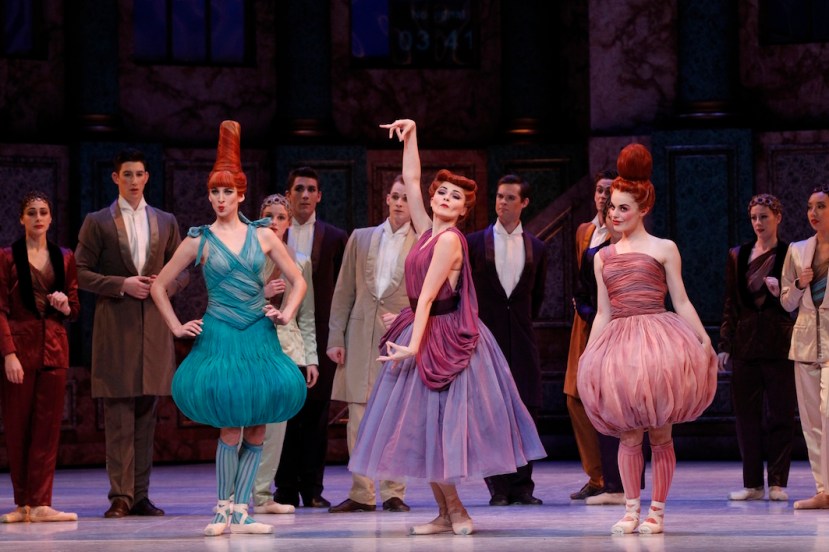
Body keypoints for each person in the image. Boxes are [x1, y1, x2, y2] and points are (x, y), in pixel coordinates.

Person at [348, 119, 546, 536]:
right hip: (424, 330)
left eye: (454, 197)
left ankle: (458, 511)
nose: (444, 198)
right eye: (441, 192)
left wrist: (412, 344)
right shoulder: (424, 231)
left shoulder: (450, 241)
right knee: (423, 433)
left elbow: (425, 299)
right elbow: (412, 177)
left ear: (462, 211)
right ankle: (443, 512)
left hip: (447, 338)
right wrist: (414, 134)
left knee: (438, 433)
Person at [150, 121, 308, 536]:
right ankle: (221, 509)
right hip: (221, 334)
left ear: (241, 195)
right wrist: (176, 325)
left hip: (258, 333)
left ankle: (243, 509)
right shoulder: (198, 240)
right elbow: (159, 287)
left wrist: (287, 312)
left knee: (257, 422)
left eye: (228, 192)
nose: (220, 199)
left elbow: (299, 280)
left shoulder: (264, 237)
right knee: (231, 422)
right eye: (214, 192)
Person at [577, 143, 717, 535]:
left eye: (624, 207)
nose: (615, 214)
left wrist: (702, 338)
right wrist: (590, 355)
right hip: (621, 342)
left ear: (643, 210)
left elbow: (682, 299)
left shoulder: (663, 248)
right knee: (628, 431)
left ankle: (656, 511)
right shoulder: (602, 257)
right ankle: (630, 508)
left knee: (660, 431)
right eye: (612, 207)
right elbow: (603, 311)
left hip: (657, 339)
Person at [75, 148, 189, 518]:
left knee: (147, 416)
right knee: (119, 416)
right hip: (117, 330)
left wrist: (165, 285)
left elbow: (183, 270)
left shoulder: (166, 220)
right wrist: (121, 283)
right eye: (127, 175)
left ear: (147, 177)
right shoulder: (98, 221)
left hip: (154, 330)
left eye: (139, 174)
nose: (134, 181)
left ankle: (140, 495)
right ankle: (120, 496)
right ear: (115, 178)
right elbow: (80, 272)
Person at [327, 175, 416, 514]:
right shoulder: (362, 238)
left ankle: (394, 492)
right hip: (360, 336)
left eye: (405, 198)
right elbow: (343, 291)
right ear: (386, 198)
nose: (398, 203)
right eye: (395, 196)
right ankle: (362, 492)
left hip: (398, 337)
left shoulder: (422, 241)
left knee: (395, 417)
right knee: (358, 419)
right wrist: (336, 337)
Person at [466, 174, 549, 506]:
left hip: (523, 339)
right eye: (499, 196)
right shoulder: (474, 243)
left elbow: (537, 296)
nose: (502, 202)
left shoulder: (538, 248)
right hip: (487, 338)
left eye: (510, 198)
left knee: (526, 410)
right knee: (491, 412)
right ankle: (498, 488)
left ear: (524, 203)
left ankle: (523, 486)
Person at [0, 191, 80, 523]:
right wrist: (9, 353)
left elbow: (74, 307)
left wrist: (64, 306)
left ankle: (41, 502)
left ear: (50, 218)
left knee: (47, 429)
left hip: (54, 348)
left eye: (43, 212)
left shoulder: (64, 257)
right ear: (22, 219)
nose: (37, 217)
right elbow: (0, 309)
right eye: (31, 212)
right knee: (18, 426)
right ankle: (22, 504)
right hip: (21, 346)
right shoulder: (6, 257)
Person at [275, 167, 348, 509]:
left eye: (311, 190)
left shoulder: (335, 237)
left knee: (317, 415)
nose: (305, 195)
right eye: (299, 188)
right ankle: (284, 487)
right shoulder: (273, 235)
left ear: (319, 196)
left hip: (319, 335)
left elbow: (344, 290)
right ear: (288, 194)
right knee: (284, 413)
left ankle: (313, 488)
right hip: (279, 335)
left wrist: (338, 337)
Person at [719, 194, 795, 502]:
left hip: (779, 344)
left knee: (780, 414)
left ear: (778, 217)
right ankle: (752, 484)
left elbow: (798, 302)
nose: (758, 223)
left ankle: (777, 481)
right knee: (746, 417)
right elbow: (731, 304)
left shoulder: (791, 254)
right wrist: (725, 345)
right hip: (746, 345)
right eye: (754, 218)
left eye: (764, 216)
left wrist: (783, 294)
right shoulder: (738, 255)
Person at [252, 194, 318, 515]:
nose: (273, 222)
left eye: (280, 217)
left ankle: (263, 495)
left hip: (286, 349)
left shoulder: (299, 260)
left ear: (289, 223)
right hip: (251, 345)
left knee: (278, 425)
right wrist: (260, 292)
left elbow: (306, 314)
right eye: (268, 215)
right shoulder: (246, 255)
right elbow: (227, 299)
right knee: (248, 421)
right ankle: (239, 493)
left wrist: (311, 357)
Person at [572, 201, 628, 507]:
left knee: (634, 408)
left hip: (635, 333)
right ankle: (612, 483)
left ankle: (631, 482)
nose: (617, 218)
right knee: (608, 408)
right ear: (605, 219)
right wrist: (593, 316)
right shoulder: (594, 255)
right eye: (611, 213)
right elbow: (581, 295)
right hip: (604, 332)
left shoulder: (643, 251)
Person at [564, 170, 614, 500]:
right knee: (574, 396)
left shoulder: (623, 233)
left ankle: (614, 478)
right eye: (599, 190)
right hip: (582, 320)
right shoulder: (585, 231)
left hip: (610, 323)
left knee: (609, 399)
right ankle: (595, 476)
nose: (603, 196)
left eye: (610, 191)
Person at [780, 184, 829, 510]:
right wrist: (799, 284)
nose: (813, 213)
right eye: (810, 207)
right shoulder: (798, 251)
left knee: (828, 413)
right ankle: (823, 491)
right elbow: (786, 301)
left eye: (821, 206)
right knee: (812, 421)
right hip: (807, 344)